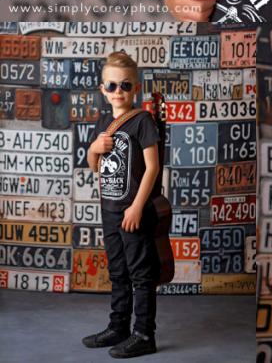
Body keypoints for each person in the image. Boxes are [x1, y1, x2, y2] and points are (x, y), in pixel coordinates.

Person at [82, 51, 161, 358]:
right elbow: (94, 166)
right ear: (103, 89)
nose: (118, 92)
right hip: (109, 209)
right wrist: (94, 147)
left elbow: (152, 168)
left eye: (125, 86)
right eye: (112, 86)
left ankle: (144, 334)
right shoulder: (103, 121)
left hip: (132, 211)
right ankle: (118, 327)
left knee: (141, 273)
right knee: (118, 271)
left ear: (135, 88)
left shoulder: (141, 121)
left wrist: (137, 207)